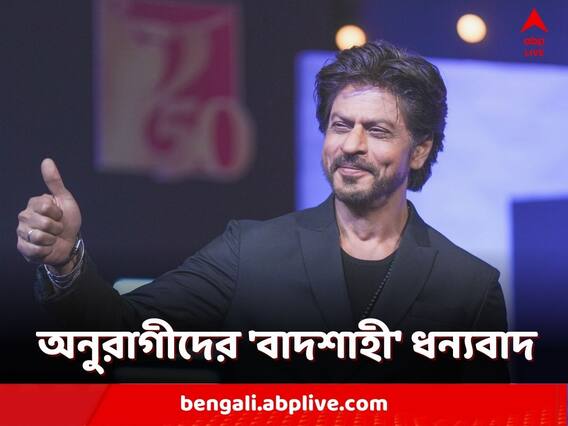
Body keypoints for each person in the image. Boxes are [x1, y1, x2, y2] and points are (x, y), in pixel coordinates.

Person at [17, 40, 508, 382]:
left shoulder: (468, 287)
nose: (351, 145)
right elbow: (119, 332)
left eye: (377, 131)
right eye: (340, 126)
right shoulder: (249, 251)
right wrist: (65, 262)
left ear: (419, 150)